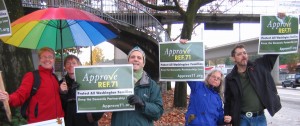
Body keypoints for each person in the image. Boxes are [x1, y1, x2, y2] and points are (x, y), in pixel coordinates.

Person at [0, 47, 64, 124]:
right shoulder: (32, 76)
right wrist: (9, 98)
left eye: (50, 57)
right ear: (39, 60)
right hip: (40, 122)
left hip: (58, 121)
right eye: (44, 57)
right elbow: (20, 95)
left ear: (53, 60)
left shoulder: (55, 77)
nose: (47, 59)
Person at [224, 44, 282, 126]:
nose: (243, 55)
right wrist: (228, 118)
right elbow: (228, 101)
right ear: (234, 58)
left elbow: (272, 54)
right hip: (242, 119)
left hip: (260, 118)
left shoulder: (259, 66)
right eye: (239, 54)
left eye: (244, 53)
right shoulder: (230, 78)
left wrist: (278, 39)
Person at [111, 46, 164, 126]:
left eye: (139, 58)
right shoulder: (115, 81)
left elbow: (158, 112)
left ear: (143, 63)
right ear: (128, 61)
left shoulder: (152, 86)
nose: (135, 59)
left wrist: (143, 104)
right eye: (132, 57)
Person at [59, 55, 103, 126]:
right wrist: (62, 93)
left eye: (74, 63)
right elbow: (60, 105)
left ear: (79, 65)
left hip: (87, 122)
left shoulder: (89, 80)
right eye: (68, 63)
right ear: (65, 66)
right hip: (70, 122)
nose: (71, 65)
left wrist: (94, 116)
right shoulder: (61, 83)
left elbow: (99, 98)